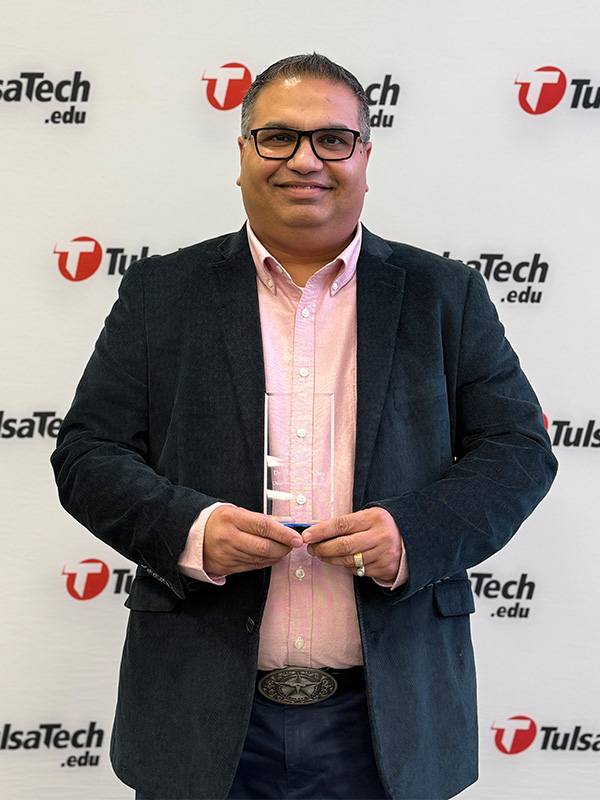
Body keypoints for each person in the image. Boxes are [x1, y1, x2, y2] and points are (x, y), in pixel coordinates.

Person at [51, 54, 557, 800]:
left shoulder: (444, 295)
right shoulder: (163, 293)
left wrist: (411, 533)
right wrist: (191, 530)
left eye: (332, 139)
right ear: (242, 153)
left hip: (390, 723)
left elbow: (518, 451)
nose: (305, 160)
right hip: (201, 720)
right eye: (278, 137)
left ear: (365, 158)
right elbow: (88, 453)